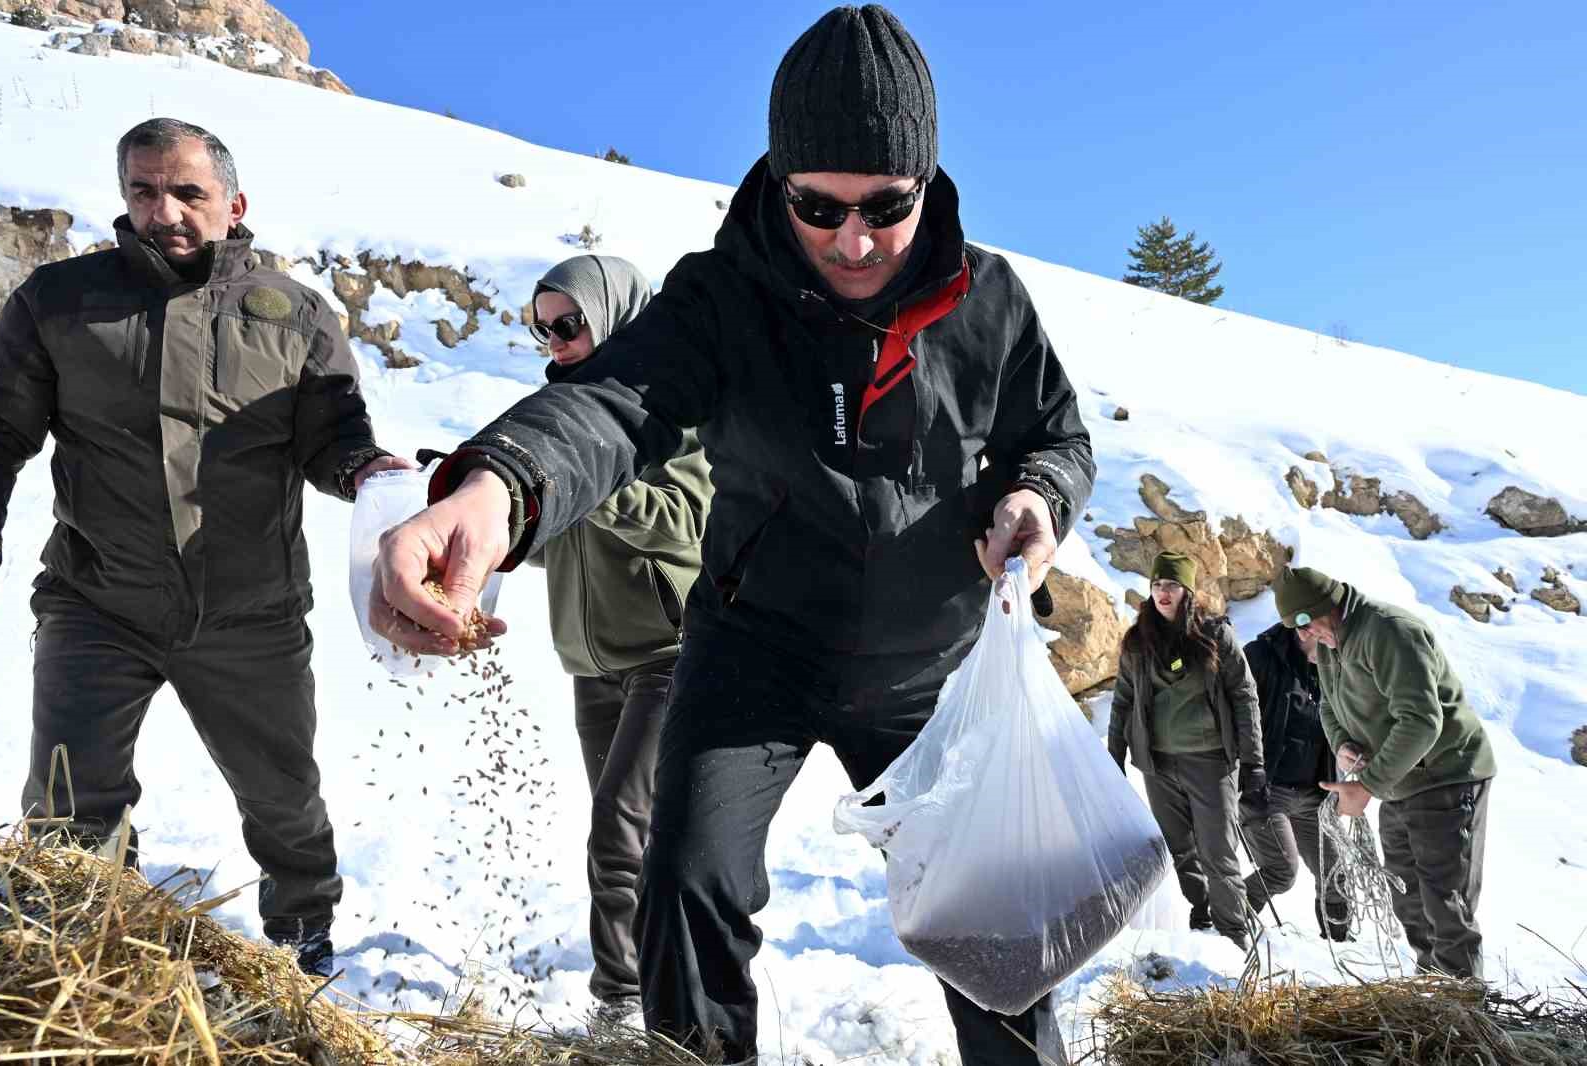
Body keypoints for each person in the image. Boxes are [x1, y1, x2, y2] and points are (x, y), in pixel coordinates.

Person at [369, 6, 1095, 1062]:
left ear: (928, 184)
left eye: (887, 207)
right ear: (778, 178)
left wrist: (1035, 496)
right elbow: (613, 406)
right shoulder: (720, 296)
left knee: (990, 923)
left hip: (932, 669)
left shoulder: (988, 303)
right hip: (758, 647)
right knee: (686, 883)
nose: (854, 240)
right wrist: (493, 491)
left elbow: (1057, 437)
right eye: (817, 205)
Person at [0, 117, 410, 976]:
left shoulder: (295, 314)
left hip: (250, 611)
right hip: (99, 599)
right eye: (143, 191)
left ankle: (305, 943)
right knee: (70, 801)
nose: (164, 210)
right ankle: (82, 954)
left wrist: (369, 470)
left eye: (187, 192)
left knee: (283, 798)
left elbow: (331, 437)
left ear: (234, 202)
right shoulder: (59, 302)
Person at [526, 254, 712, 1022]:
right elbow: (553, 544)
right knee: (639, 836)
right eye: (541, 328)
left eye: (568, 324)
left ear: (612, 314)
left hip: (666, 653)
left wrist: (591, 485)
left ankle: (626, 1001)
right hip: (590, 662)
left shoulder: (671, 404)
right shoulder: (556, 410)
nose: (555, 341)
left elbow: (685, 523)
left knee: (620, 828)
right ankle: (663, 973)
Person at [1275, 566, 1497, 979]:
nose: (1305, 636)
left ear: (1329, 606)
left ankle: (1465, 1014)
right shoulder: (1329, 643)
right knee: (1408, 899)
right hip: (1399, 781)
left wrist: (1368, 786)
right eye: (1295, 629)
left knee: (1444, 903)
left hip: (1445, 775)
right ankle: (1435, 995)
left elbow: (1421, 721)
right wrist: (1343, 744)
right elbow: (1328, 706)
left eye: (1306, 623)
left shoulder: (1389, 632)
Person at [1108, 551, 1264, 950]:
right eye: (1158, 585)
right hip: (1158, 765)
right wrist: (1113, 757)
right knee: (1180, 849)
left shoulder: (1215, 636)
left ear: (1188, 591)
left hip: (1211, 762)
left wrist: (1253, 763)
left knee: (1218, 851)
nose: (1163, 593)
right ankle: (1202, 908)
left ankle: (1233, 935)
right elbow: (1122, 701)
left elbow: (1245, 697)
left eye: (1172, 585)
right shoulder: (1137, 642)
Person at [1238, 621, 1352, 940]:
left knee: (1336, 871)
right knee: (1282, 870)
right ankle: (1231, 925)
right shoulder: (1260, 656)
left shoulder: (1334, 666)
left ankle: (1339, 946)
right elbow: (1227, 712)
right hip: (1266, 790)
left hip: (1316, 792)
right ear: (1306, 629)